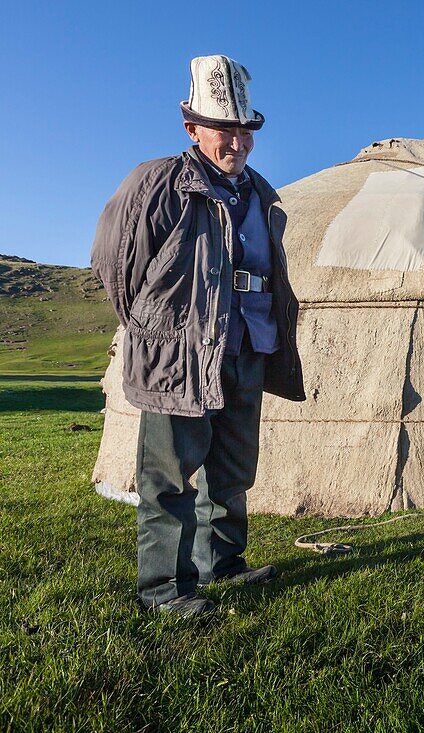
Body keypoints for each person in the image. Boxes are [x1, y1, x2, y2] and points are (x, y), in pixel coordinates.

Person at [91, 55, 305, 617]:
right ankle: (165, 588)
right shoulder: (158, 182)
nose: (236, 141)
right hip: (180, 354)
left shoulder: (261, 193)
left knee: (232, 470)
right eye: (223, 129)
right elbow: (112, 263)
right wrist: (159, 324)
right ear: (192, 129)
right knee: (168, 476)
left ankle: (224, 565)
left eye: (244, 130)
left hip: (247, 347)